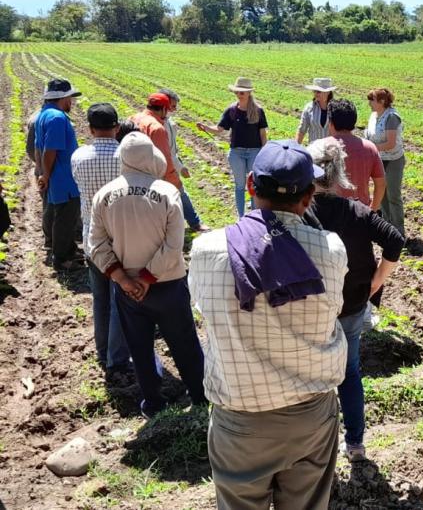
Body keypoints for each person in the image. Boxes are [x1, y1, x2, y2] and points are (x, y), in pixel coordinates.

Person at [189, 140, 348, 510]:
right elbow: (334, 311)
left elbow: (204, 313)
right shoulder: (332, 249)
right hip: (310, 413)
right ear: (309, 197)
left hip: (241, 417)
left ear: (249, 185)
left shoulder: (207, 249)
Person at [89, 132, 206, 419]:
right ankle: (201, 397)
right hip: (166, 285)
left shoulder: (104, 196)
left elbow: (96, 244)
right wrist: (147, 277)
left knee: (139, 348)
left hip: (128, 290)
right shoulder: (167, 193)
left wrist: (124, 279)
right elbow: (173, 246)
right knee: (184, 344)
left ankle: (153, 402)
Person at [306, 138, 405, 463]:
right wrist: (375, 283)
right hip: (351, 305)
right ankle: (356, 444)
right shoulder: (357, 212)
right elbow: (394, 240)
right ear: (338, 174)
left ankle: (317, 448)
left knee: (313, 378)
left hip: (312, 309)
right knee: (349, 373)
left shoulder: (301, 216)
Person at [71, 103, 131, 371]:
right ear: (117, 127)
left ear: (90, 129)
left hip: (92, 238)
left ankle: (102, 350)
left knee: (100, 298)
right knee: (120, 299)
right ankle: (117, 359)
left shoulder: (79, 156)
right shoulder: (126, 157)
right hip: (123, 239)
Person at [197, 77, 269, 218]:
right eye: (237, 92)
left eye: (242, 92)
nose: (239, 95)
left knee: (253, 186)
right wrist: (206, 128)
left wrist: (264, 152)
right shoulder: (231, 110)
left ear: (249, 93)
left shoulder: (258, 111)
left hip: (254, 152)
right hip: (236, 153)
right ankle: (241, 217)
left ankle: (255, 216)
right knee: (240, 186)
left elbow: (262, 133)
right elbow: (219, 129)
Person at [34, 79, 83, 272]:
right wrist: (46, 175)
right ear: (63, 97)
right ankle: (62, 260)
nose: (72, 101)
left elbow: (39, 148)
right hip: (63, 177)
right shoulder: (57, 118)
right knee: (65, 218)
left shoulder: (43, 115)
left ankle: (69, 250)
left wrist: (41, 172)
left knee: (60, 215)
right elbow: (50, 150)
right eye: (70, 97)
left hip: (55, 176)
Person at [159, 88, 209, 232]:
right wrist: (179, 168)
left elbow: (172, 150)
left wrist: (180, 166)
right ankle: (193, 223)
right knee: (178, 192)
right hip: (162, 166)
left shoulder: (169, 123)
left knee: (178, 191)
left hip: (170, 163)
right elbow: (167, 151)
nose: (174, 110)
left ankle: (193, 223)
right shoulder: (158, 125)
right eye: (172, 106)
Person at [326, 99, 386, 211]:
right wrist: (372, 210)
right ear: (354, 122)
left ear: (331, 123)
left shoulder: (322, 147)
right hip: (361, 212)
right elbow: (381, 184)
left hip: (330, 213)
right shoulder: (370, 148)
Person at [364, 87, 406, 236]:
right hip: (379, 159)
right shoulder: (373, 116)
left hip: (393, 160)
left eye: (372, 100)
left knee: (393, 195)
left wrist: (371, 148)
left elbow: (390, 143)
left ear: (382, 102)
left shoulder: (391, 117)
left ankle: (399, 231)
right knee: (381, 194)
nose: (369, 103)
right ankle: (388, 227)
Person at [129, 93, 182, 191]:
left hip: (133, 175)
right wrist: (174, 181)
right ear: (163, 109)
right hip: (153, 177)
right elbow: (165, 159)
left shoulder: (133, 118)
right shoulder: (156, 128)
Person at [26, 110, 51, 251]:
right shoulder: (53, 119)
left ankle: (49, 239)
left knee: (47, 202)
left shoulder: (35, 117)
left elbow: (31, 149)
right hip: (49, 168)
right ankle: (52, 241)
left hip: (41, 166)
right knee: (53, 204)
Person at [296, 77, 336, 145]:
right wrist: (295, 149)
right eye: (314, 91)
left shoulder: (336, 108)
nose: (315, 94)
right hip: (314, 151)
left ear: (328, 92)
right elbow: (302, 130)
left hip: (331, 151)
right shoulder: (309, 108)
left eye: (318, 91)